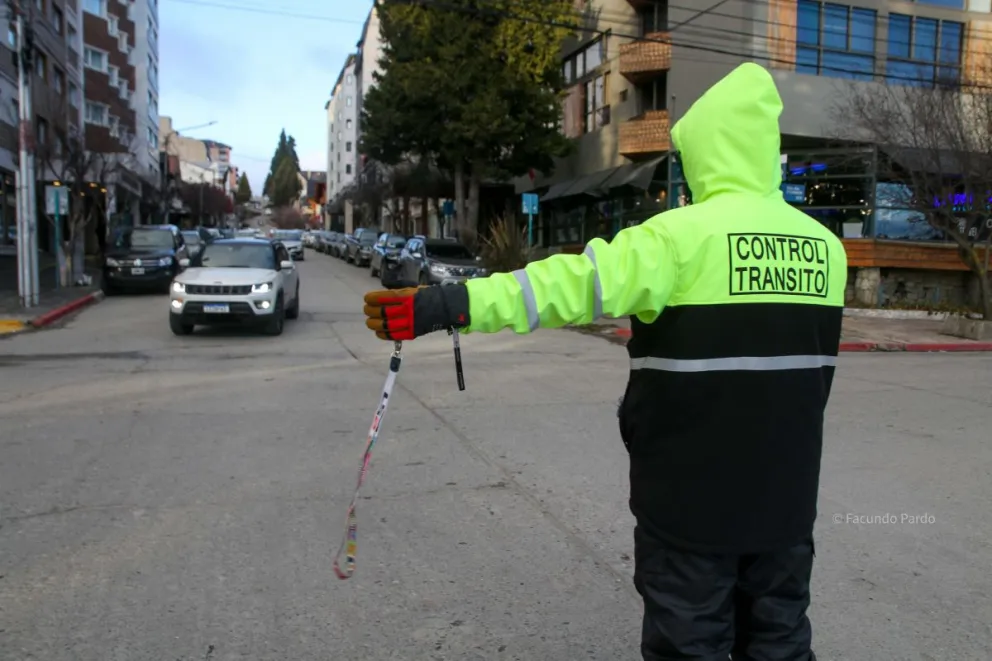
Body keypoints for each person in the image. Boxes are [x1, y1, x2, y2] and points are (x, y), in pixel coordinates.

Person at [362, 63, 847, 661]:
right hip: (786, 506)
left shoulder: (675, 240)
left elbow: (560, 287)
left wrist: (447, 302)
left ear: (704, 152)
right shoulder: (826, 249)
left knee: (688, 643)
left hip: (687, 506)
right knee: (780, 641)